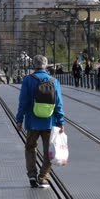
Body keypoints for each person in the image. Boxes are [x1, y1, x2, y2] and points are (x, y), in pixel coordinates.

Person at [16, 55, 65, 188]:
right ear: (46, 65)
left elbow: (23, 102)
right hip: (49, 121)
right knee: (49, 150)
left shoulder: (28, 80)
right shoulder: (54, 81)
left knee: (30, 147)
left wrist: (19, 120)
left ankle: (32, 175)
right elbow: (58, 103)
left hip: (32, 122)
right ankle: (43, 177)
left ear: (34, 65)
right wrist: (61, 121)